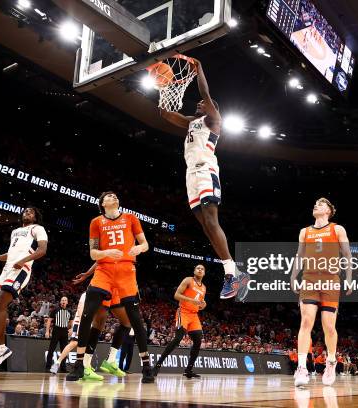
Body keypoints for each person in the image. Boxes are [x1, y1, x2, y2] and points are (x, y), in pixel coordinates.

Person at [159, 58, 249, 300]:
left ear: (212, 109)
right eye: (198, 103)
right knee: (206, 227)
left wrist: (199, 69)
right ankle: (234, 272)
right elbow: (165, 114)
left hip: (206, 170)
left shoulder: (213, 120)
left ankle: (232, 272)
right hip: (191, 174)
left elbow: (205, 92)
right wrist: (163, 84)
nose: (200, 104)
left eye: (204, 104)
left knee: (211, 220)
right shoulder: (191, 123)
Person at [68, 191, 154, 383]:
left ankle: (147, 367)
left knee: (134, 320)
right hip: (104, 271)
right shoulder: (96, 222)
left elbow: (145, 244)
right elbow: (93, 253)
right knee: (88, 316)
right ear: (102, 204)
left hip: (126, 272)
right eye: (109, 196)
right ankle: (80, 366)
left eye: (116, 195)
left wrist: (139, 248)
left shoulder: (131, 218)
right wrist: (106, 252)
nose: (114, 197)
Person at [0, 207, 48, 369]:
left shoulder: (37, 229)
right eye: (25, 211)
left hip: (21, 269)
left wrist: (24, 260)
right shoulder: (15, 231)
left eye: (31, 212)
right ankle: (1, 348)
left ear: (35, 217)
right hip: (7, 268)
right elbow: (11, 252)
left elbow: (42, 250)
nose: (27, 213)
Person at [290, 198, 353, 387]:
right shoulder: (305, 231)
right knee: (306, 321)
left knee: (329, 326)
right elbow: (299, 256)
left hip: (331, 280)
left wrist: (349, 278)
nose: (316, 205)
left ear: (328, 211)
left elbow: (348, 255)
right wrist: (293, 276)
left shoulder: (337, 229)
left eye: (321, 204)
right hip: (309, 279)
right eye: (315, 203)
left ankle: (331, 361)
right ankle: (301, 368)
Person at [53, 267, 131, 379]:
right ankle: (59, 363)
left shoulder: (97, 292)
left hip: (86, 320)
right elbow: (82, 312)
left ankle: (86, 366)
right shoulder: (88, 294)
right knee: (74, 343)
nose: (64, 302)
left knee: (81, 341)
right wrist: (83, 324)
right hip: (81, 321)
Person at [153, 264, 207, 378]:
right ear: (194, 271)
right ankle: (157, 365)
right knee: (177, 339)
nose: (200, 270)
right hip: (183, 312)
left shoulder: (204, 287)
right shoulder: (188, 280)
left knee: (198, 341)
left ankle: (188, 370)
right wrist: (191, 300)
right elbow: (176, 295)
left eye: (202, 269)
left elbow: (200, 303)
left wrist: (203, 305)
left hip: (194, 316)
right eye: (198, 268)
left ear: (204, 273)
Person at [45, 296, 71, 371]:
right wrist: (47, 331)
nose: (63, 301)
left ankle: (63, 368)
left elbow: (71, 322)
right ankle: (48, 367)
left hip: (65, 331)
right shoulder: (55, 310)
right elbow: (49, 320)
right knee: (51, 349)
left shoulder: (69, 311)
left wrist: (70, 329)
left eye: (65, 300)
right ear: (60, 302)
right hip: (56, 330)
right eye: (62, 300)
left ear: (67, 302)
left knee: (64, 350)